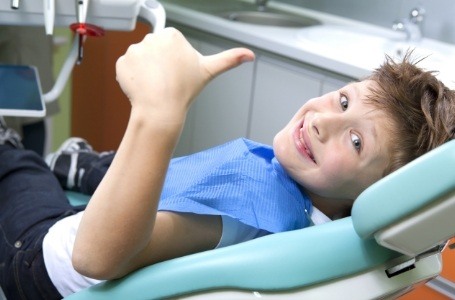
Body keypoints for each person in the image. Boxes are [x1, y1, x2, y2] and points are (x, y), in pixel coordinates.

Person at [0, 28, 454, 299]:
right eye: (342, 99)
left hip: (41, 264)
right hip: (102, 223)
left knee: (22, 167)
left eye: (356, 141)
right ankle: (89, 167)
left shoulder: (240, 218)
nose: (322, 122)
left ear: (372, 193)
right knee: (164, 169)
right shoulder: (310, 211)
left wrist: (159, 113)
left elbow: (96, 257)